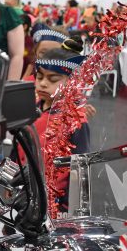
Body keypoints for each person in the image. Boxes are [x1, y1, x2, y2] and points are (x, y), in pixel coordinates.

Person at [33, 40, 90, 211]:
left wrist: (70, 207)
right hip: (26, 190)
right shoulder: (32, 107)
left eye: (52, 79)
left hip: (55, 202)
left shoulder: (75, 120)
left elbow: (79, 167)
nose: (43, 83)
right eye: (39, 77)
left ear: (71, 83)